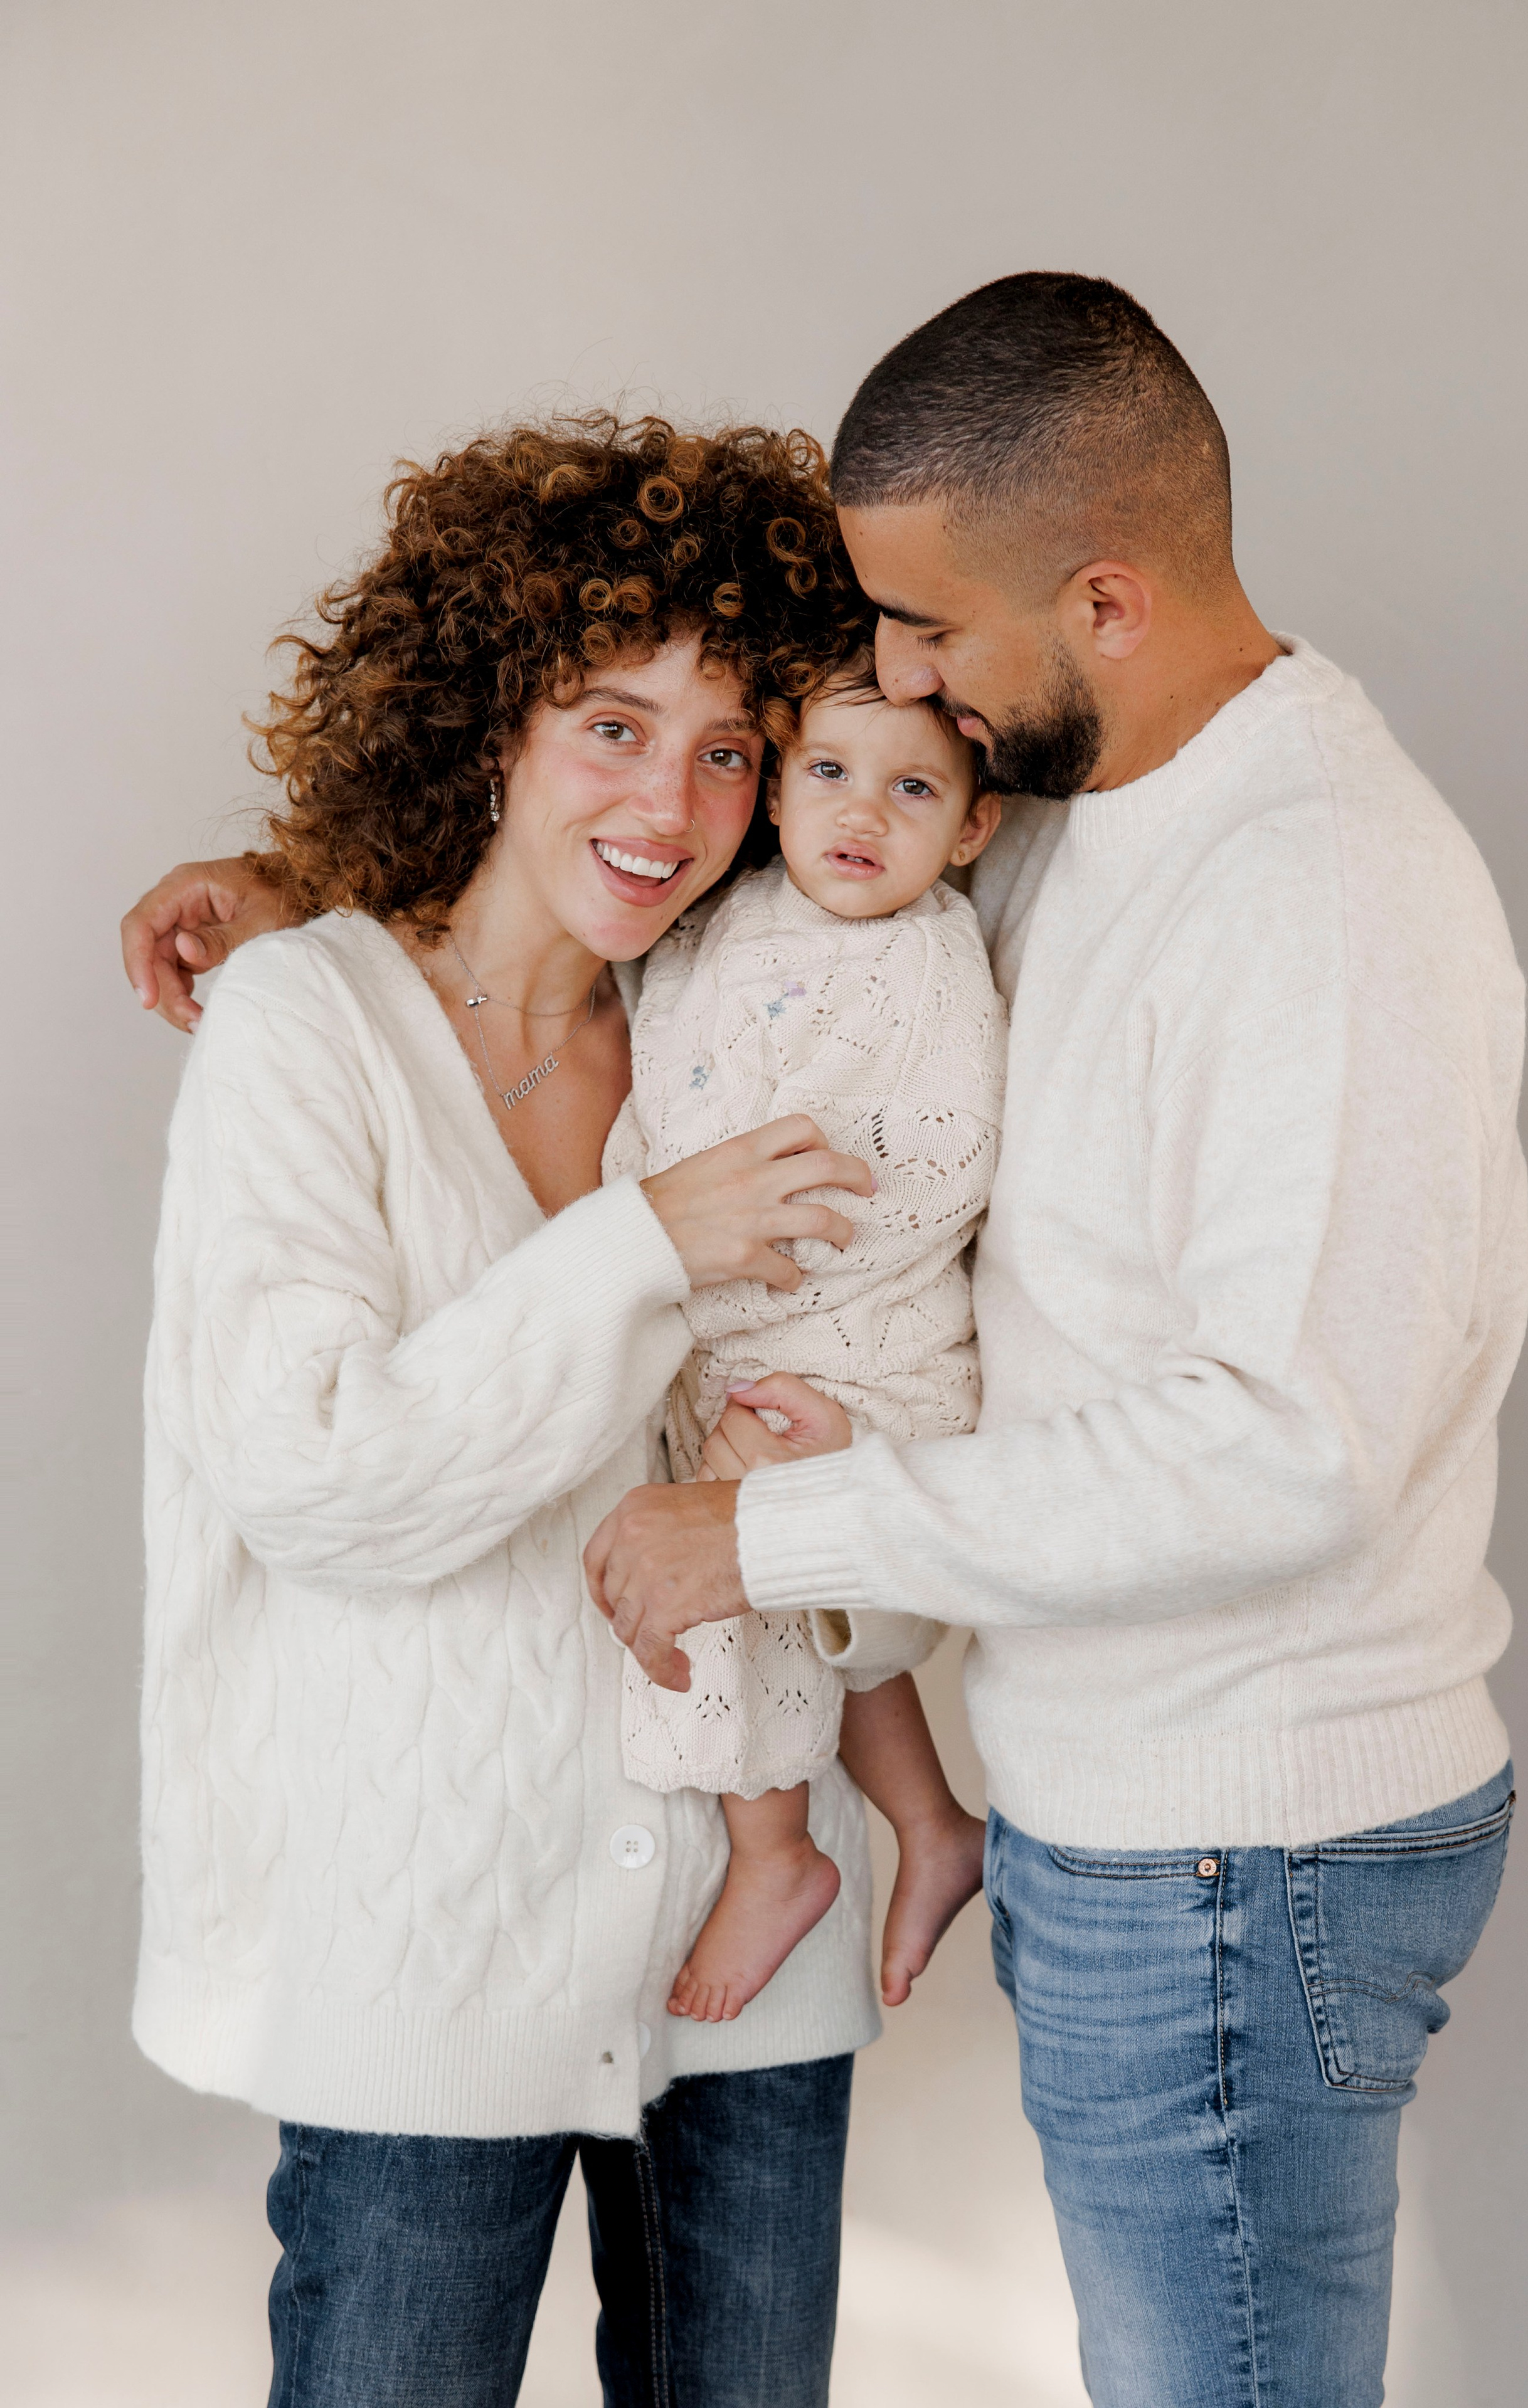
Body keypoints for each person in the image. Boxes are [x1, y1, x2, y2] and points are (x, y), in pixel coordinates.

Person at [583, 277, 1528, 2408]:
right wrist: (314, 906)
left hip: (1238, 1851)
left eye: (929, 636)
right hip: (1169, 1826)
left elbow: (1292, 1448)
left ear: (1103, 597)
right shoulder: (1112, 819)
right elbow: (774, 924)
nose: (901, 689)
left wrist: (780, 1532)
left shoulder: (1326, 895)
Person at [127, 412, 947, 2408]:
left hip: (756, 1982)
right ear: (488, 722)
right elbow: (323, 1482)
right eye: (609, 723)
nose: (672, 800)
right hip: (429, 1969)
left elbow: (897, 1419)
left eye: (731, 746)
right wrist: (640, 1242)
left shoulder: (756, 1008)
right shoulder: (304, 1023)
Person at [607, 650, 1006, 2024]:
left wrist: (719, 1293)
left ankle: (773, 1856)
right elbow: (669, 1068)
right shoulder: (729, 916)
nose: (861, 813)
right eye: (829, 773)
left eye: (911, 790)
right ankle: (935, 1826)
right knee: (809, 1601)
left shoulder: (928, 959)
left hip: (847, 1340)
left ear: (968, 829)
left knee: (756, 1590)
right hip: (736, 1324)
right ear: (775, 790)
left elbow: (932, 1165)